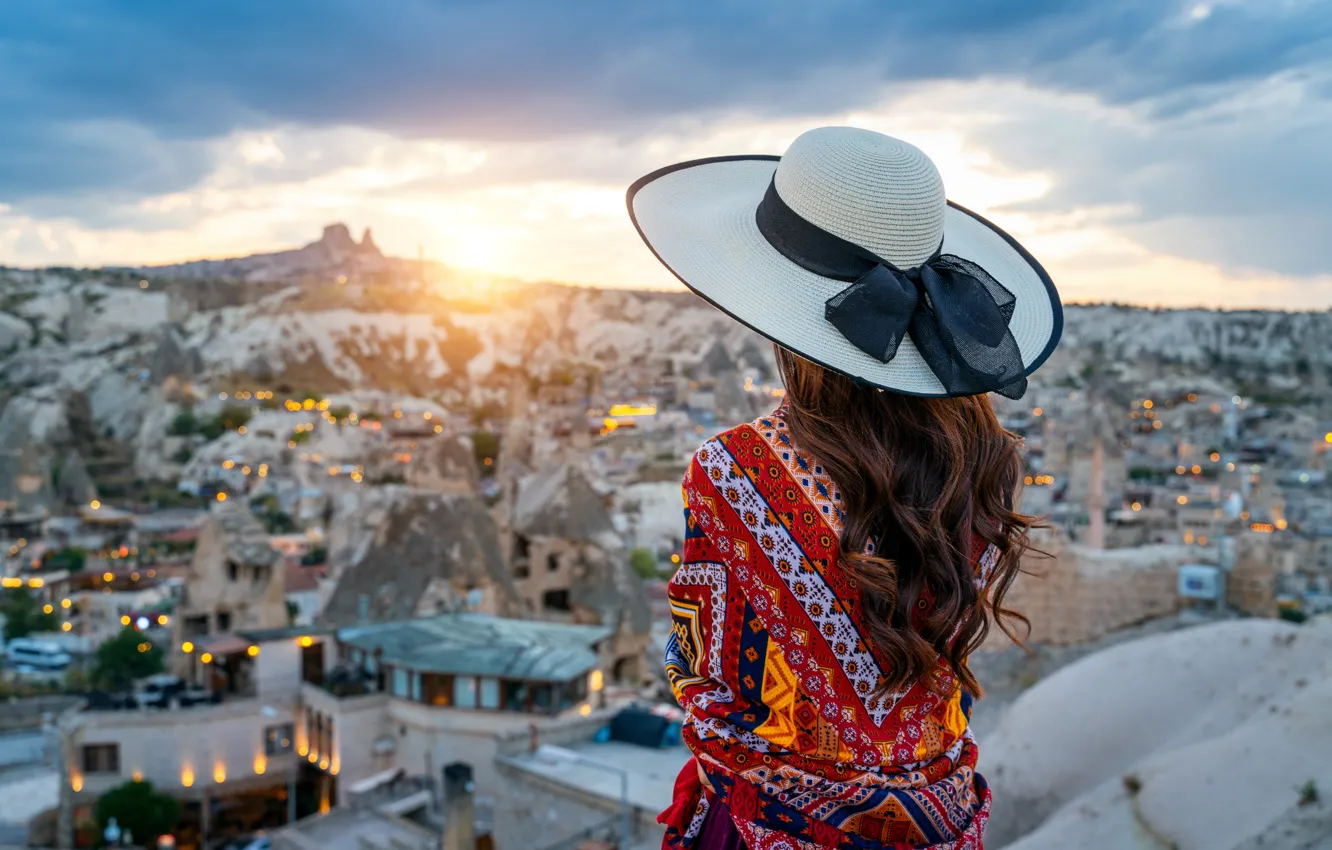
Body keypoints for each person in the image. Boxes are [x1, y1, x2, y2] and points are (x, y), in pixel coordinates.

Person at [626, 127, 1063, 849]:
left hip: (774, 825)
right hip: (937, 822)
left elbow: (710, 680)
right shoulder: (986, 459)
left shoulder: (734, 472)